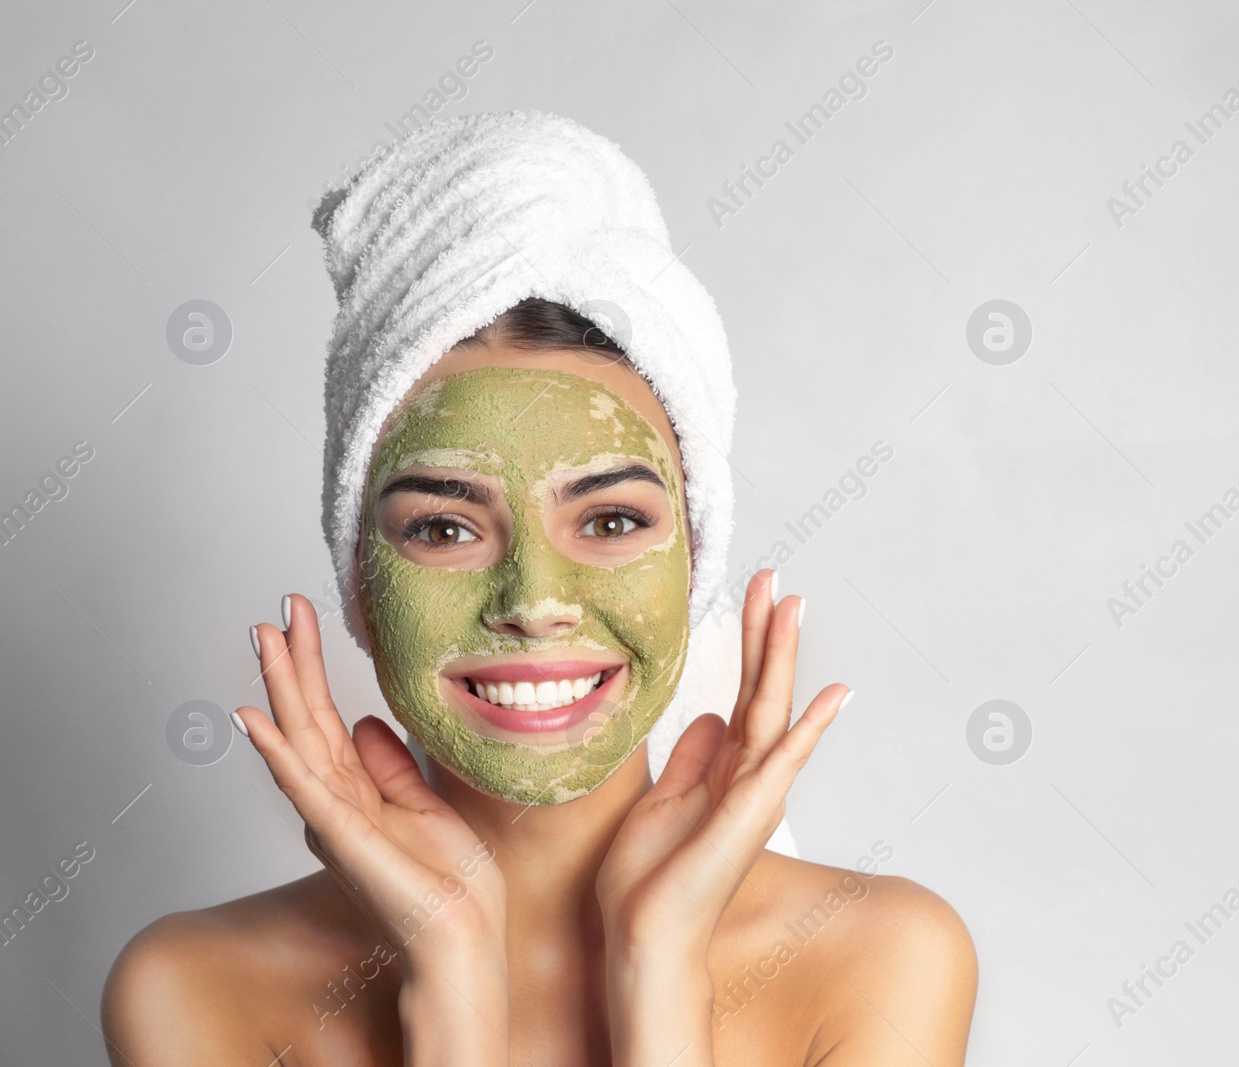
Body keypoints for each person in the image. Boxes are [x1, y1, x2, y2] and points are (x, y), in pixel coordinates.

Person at [100, 108, 976, 1066]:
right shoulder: (200, 989)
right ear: (357, 574)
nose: (536, 600)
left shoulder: (879, 959)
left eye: (609, 521)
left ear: (698, 562)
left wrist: (661, 966)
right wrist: (452, 980)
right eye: (444, 526)